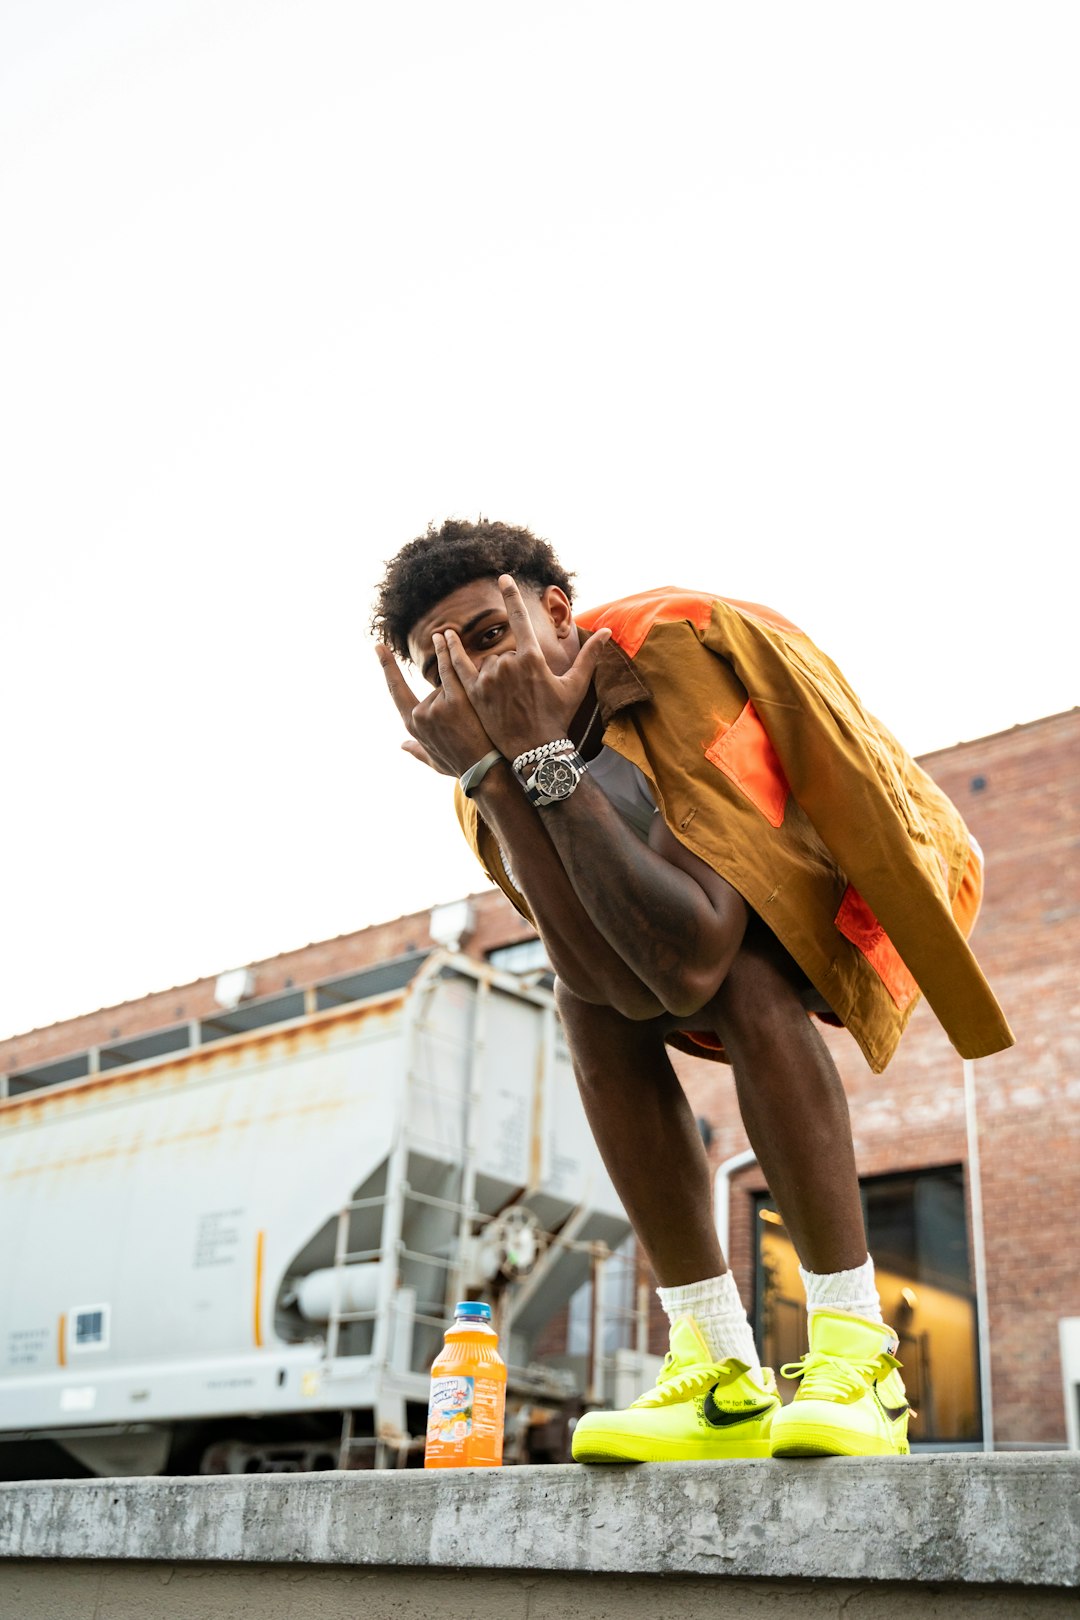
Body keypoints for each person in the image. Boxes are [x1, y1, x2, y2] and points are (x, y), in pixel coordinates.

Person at [373, 518, 1012, 1462]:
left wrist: (541, 763)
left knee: (748, 971)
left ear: (556, 612)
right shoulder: (476, 783)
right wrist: (499, 778)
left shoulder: (676, 652)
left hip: (835, 877)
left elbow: (701, 949)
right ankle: (716, 1371)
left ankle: (858, 1352)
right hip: (661, 925)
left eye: (484, 636)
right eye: (440, 669)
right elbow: (598, 975)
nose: (469, 677)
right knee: (579, 1001)